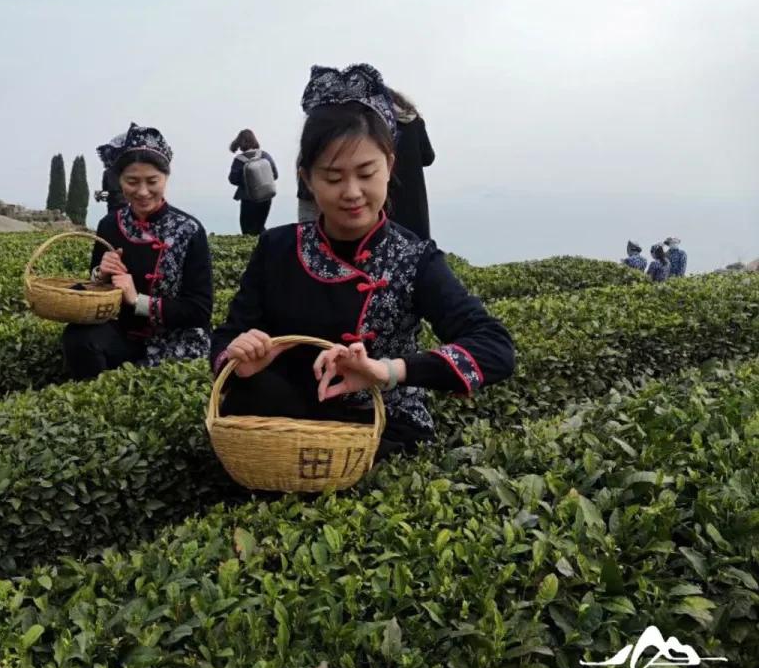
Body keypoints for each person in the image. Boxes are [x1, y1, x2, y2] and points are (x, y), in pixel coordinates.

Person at [211, 63, 515, 464]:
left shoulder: (415, 258)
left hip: (383, 423)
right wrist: (242, 360)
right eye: (333, 178)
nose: (352, 193)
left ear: (389, 166)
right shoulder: (276, 248)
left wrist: (389, 371)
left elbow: (495, 348)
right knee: (255, 398)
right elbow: (226, 338)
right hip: (291, 417)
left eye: (366, 173)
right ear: (307, 179)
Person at [62, 123, 213, 378]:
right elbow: (96, 286)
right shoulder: (110, 224)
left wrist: (138, 300)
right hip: (123, 334)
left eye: (152, 181)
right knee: (78, 338)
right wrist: (100, 275)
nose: (142, 192)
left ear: (165, 178)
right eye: (132, 181)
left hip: (177, 340)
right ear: (119, 181)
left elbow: (200, 310)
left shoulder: (189, 229)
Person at [384, 87, 434, 240]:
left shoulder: (376, 122)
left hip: (388, 196)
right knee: (416, 248)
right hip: (415, 200)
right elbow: (428, 157)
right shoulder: (414, 120)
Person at [229, 129, 279, 236]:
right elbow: (275, 175)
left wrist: (247, 181)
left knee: (247, 230)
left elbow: (232, 179)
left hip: (248, 198)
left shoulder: (239, 160)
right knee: (260, 227)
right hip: (266, 196)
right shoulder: (265, 155)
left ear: (239, 142)